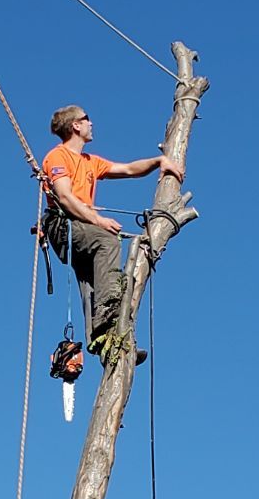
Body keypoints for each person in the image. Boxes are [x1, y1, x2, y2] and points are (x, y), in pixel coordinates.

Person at [42, 104, 183, 359]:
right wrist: (99, 220)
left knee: (93, 279)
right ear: (75, 125)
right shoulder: (57, 157)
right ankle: (108, 313)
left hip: (82, 227)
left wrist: (159, 161)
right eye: (86, 119)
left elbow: (128, 169)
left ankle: (105, 341)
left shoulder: (90, 162)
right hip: (64, 225)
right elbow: (64, 197)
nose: (91, 123)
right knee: (107, 240)